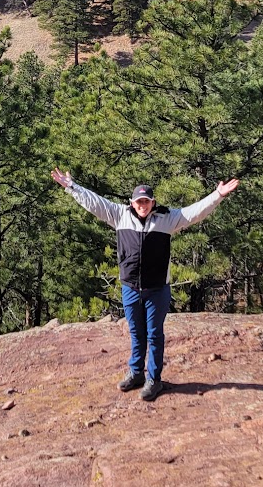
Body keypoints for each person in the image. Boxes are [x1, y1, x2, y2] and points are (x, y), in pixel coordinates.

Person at [51, 168, 239, 401]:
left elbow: (194, 213)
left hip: (157, 289)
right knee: (136, 333)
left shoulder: (167, 219)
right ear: (132, 202)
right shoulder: (119, 215)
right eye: (139, 201)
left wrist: (217, 195)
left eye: (146, 201)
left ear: (153, 202)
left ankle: (154, 379)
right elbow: (95, 203)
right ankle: (136, 373)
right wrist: (72, 187)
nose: (143, 205)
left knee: (154, 335)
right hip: (130, 287)